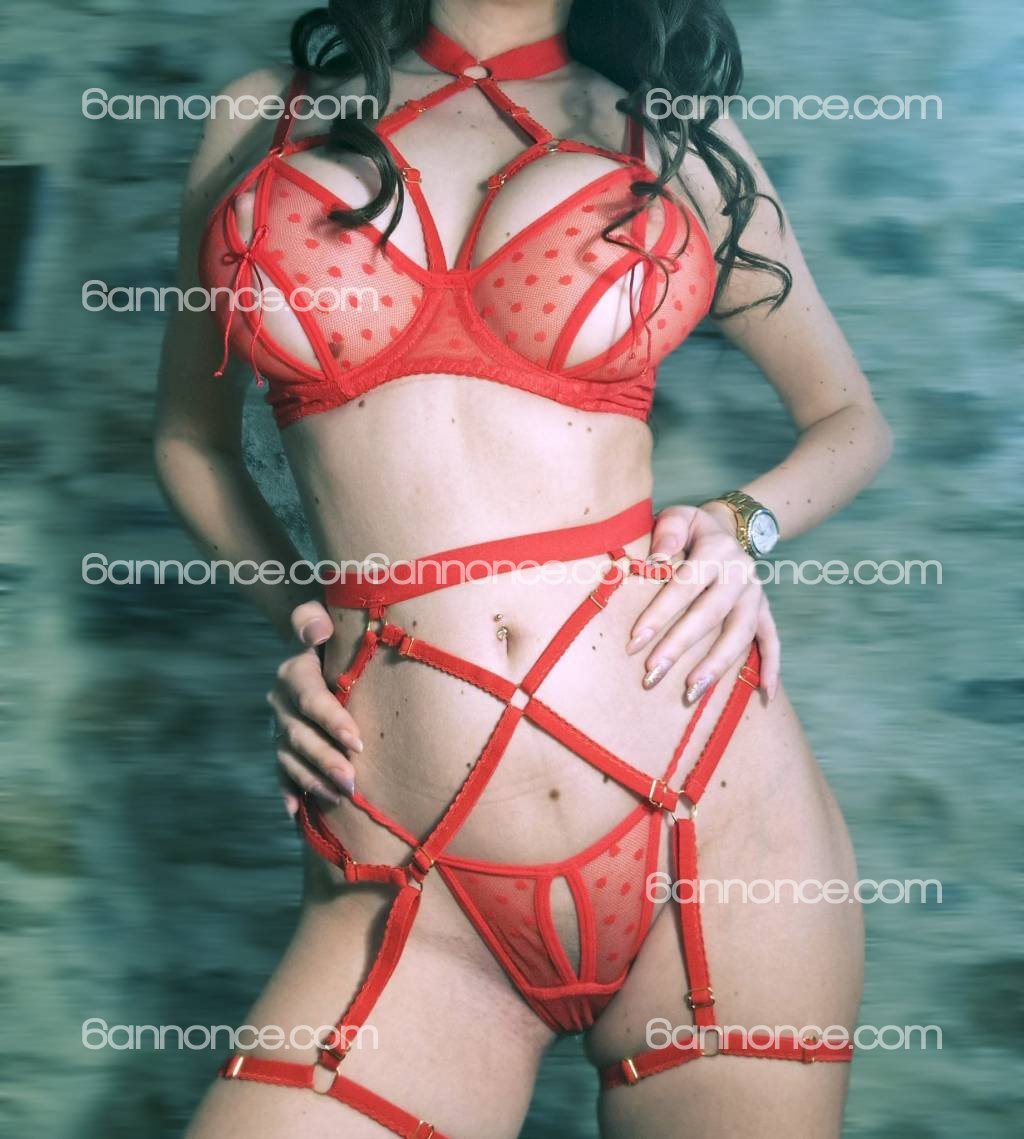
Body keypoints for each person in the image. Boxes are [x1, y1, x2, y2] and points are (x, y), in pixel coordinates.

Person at [157, 2, 892, 1135]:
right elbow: (189, 443)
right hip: (407, 867)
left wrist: (740, 525)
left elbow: (850, 422)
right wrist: (310, 622)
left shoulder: (667, 131)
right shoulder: (265, 119)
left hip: (712, 818)